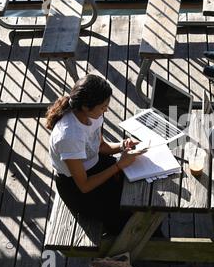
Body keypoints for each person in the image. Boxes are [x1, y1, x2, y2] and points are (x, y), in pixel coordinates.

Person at [46, 74, 143, 235]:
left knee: (138, 189)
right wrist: (119, 165)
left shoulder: (93, 115)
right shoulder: (69, 136)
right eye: (103, 106)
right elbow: (84, 186)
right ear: (85, 106)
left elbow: (101, 146)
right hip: (77, 188)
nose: (106, 109)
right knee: (126, 216)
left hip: (96, 165)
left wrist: (122, 146)